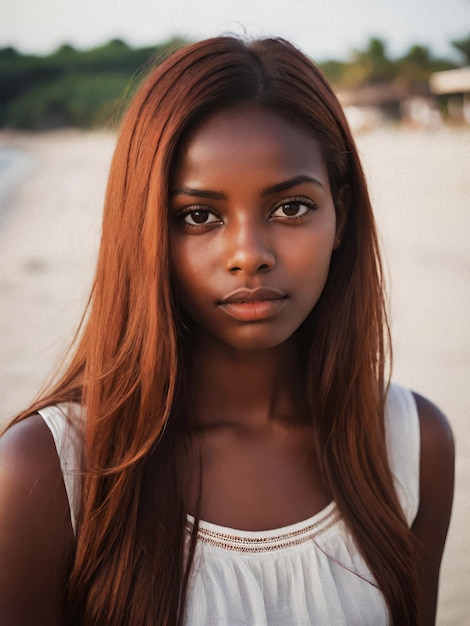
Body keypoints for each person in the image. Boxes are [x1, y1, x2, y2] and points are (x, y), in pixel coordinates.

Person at [0, 36, 454, 626]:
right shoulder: (45, 474)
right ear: (146, 231)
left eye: (290, 207)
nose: (249, 255)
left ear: (340, 214)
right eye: (199, 216)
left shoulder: (412, 444)